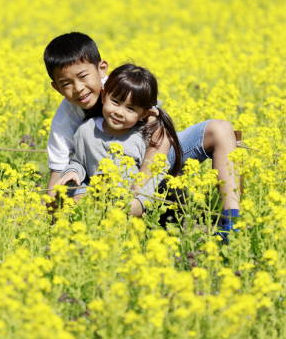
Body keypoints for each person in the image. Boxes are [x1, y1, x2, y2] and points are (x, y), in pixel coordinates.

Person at [43, 32, 240, 236]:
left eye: (83, 77)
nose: (79, 89)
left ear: (102, 69)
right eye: (66, 84)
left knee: (220, 130)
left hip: (151, 155)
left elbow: (160, 137)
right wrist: (55, 204)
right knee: (73, 197)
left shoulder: (123, 83)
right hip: (103, 171)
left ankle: (232, 222)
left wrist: (139, 189)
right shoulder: (64, 120)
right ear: (56, 88)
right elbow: (58, 176)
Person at [58, 63, 182, 216]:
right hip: (97, 200)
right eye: (115, 102)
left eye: (130, 109)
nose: (119, 112)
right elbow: (79, 161)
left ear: (143, 114)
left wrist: (141, 203)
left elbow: (154, 174)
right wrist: (73, 172)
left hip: (131, 203)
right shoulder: (86, 130)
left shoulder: (143, 136)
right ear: (104, 96)